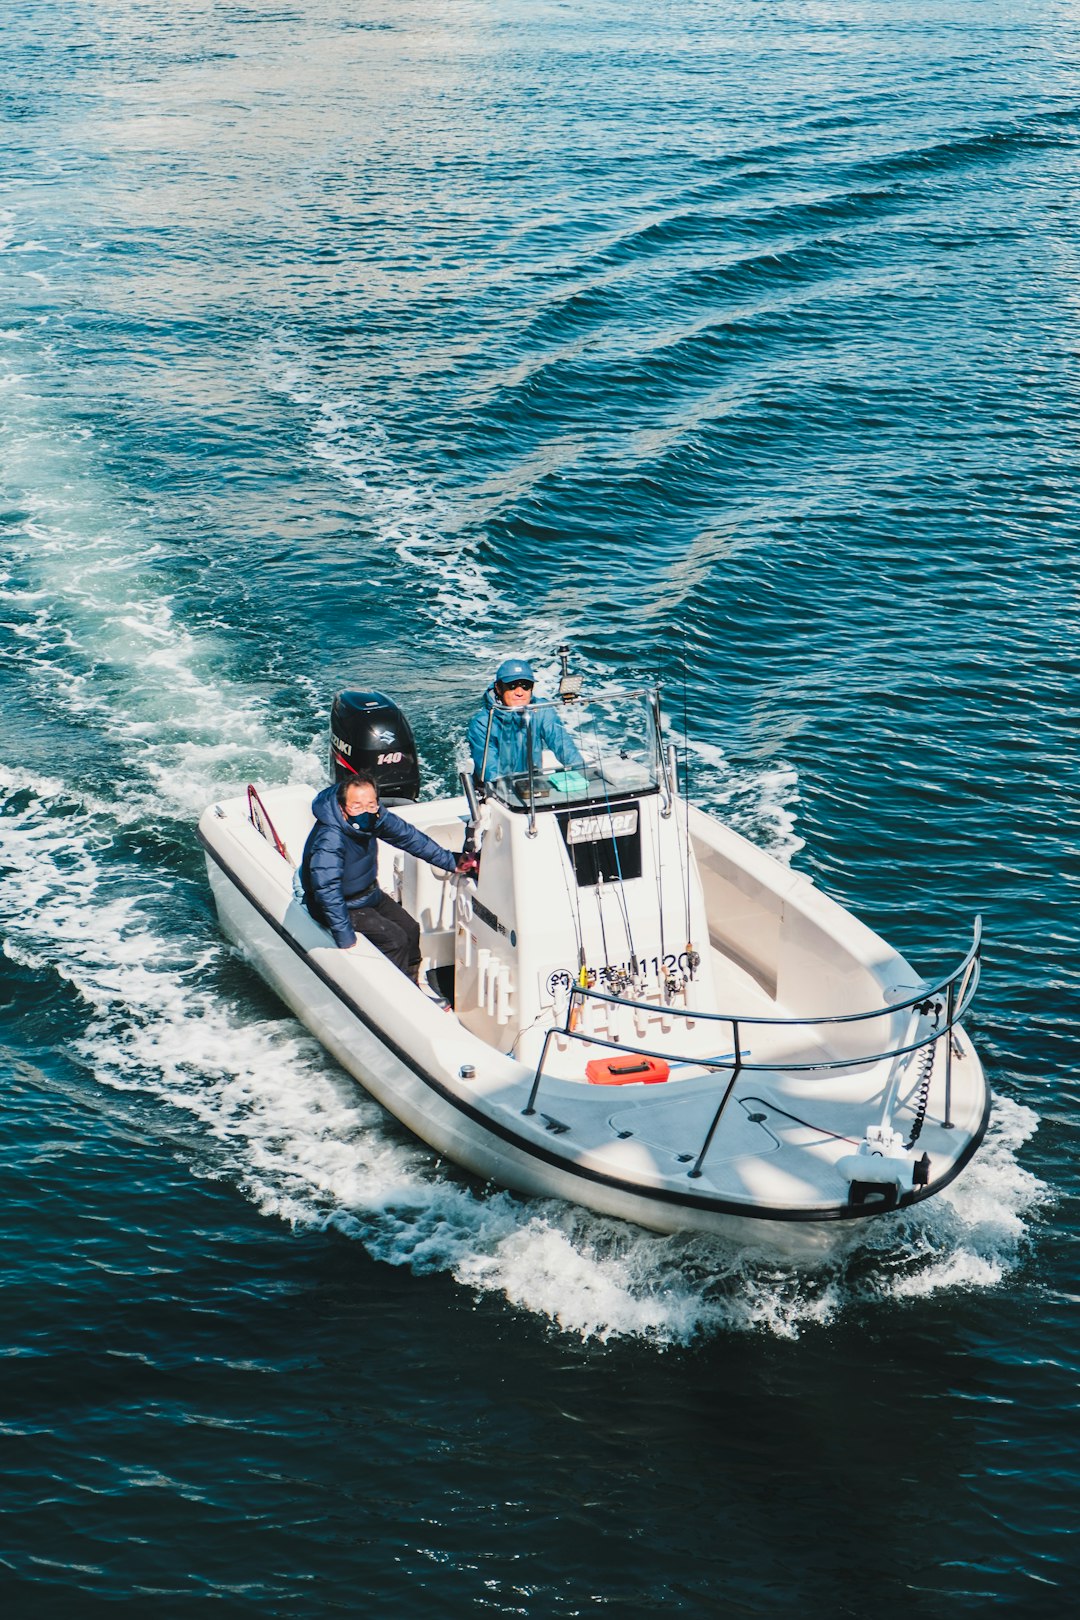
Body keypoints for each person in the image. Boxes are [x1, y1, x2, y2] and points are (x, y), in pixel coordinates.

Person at [300, 772, 476, 980]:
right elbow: (326, 889)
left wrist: (451, 861)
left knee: (410, 929)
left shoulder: (375, 817)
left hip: (368, 893)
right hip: (339, 904)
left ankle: (412, 983)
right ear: (342, 807)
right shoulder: (330, 838)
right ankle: (397, 990)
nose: (365, 811)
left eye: (371, 805)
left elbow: (409, 838)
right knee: (394, 940)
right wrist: (343, 935)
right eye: (356, 806)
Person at [467, 657, 583, 784]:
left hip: (532, 783)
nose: (519, 692)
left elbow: (563, 744)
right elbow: (489, 771)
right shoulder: (482, 723)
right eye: (512, 686)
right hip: (496, 789)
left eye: (525, 686)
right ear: (499, 688)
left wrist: (584, 771)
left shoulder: (541, 710)